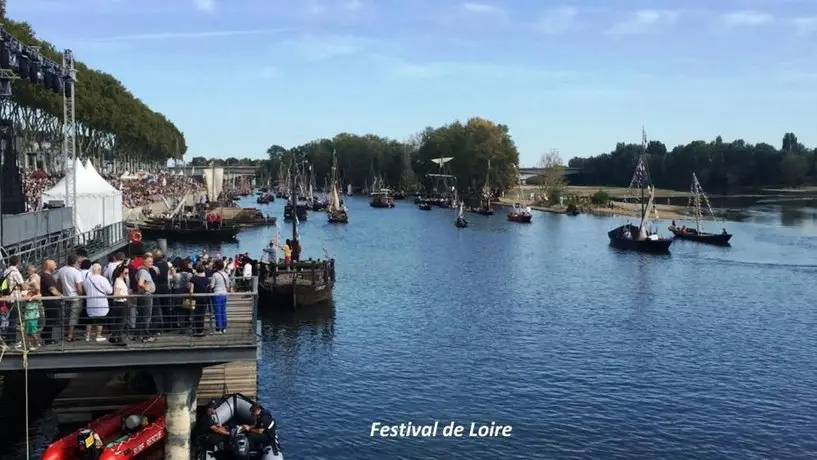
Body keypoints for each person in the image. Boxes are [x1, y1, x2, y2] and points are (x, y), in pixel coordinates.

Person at [209, 260, 231, 334]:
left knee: (217, 312)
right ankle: (224, 328)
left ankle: (218, 329)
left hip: (217, 294)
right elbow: (228, 285)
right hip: (224, 294)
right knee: (223, 311)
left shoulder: (215, 274)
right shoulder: (226, 274)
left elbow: (212, 285)